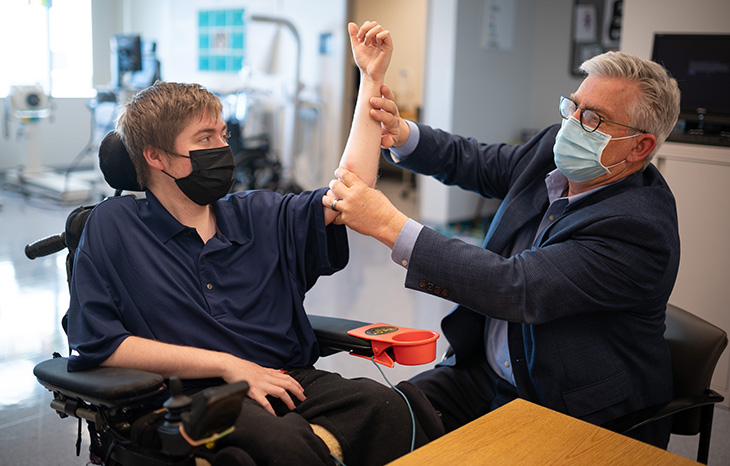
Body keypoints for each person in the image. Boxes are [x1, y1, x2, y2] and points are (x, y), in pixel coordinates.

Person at [67, 22, 440, 466]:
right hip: (191, 397)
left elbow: (348, 192)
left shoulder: (256, 213)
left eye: (223, 134)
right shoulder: (114, 228)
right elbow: (101, 344)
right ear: (155, 156)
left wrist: (370, 79)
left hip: (286, 379)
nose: (223, 148)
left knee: (398, 411)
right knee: (279, 449)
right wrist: (227, 364)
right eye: (205, 139)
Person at [324, 50, 681, 449]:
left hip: (564, 408)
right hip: (484, 376)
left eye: (594, 118)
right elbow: (477, 162)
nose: (573, 125)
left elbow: (515, 287)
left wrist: (389, 225)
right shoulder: (555, 150)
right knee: (372, 419)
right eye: (573, 106)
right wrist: (402, 133)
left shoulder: (638, 230)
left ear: (639, 147)